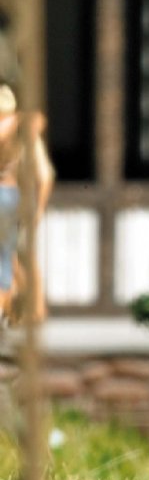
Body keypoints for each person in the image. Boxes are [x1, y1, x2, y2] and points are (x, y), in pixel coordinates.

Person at [0, 84, 54, 323]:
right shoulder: (22, 131)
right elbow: (44, 176)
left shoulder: (13, 130)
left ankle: (27, 307)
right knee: (15, 255)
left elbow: (44, 175)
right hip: (19, 198)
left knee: (10, 256)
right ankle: (25, 307)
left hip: (10, 197)